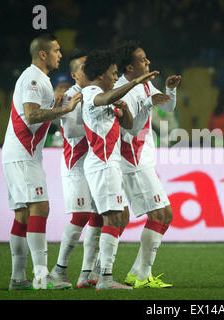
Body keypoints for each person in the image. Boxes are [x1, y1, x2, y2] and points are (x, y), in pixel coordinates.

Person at [2, 33, 83, 290]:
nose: (61, 54)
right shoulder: (34, 77)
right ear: (43, 54)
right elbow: (32, 115)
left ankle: (18, 278)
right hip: (23, 154)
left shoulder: (39, 79)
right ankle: (40, 276)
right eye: (57, 50)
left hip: (20, 154)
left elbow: (39, 112)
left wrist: (55, 104)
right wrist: (64, 109)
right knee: (40, 207)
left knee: (23, 213)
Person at [81, 48, 158, 290]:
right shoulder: (93, 91)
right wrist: (134, 83)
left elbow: (129, 124)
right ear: (101, 75)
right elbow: (103, 100)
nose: (116, 77)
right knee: (113, 217)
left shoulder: (108, 94)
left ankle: (94, 274)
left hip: (110, 163)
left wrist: (124, 110)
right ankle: (104, 278)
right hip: (102, 163)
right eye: (113, 73)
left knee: (119, 216)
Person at [114, 40, 180, 289]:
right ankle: (140, 275)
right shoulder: (122, 89)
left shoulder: (144, 84)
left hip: (142, 158)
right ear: (130, 68)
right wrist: (150, 103)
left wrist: (169, 90)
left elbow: (166, 105)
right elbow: (129, 126)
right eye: (143, 60)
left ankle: (138, 273)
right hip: (131, 160)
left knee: (163, 215)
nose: (148, 62)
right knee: (162, 214)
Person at [49, 49, 103, 288]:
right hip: (76, 162)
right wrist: (100, 126)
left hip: (95, 162)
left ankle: (87, 273)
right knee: (81, 215)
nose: (89, 71)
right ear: (74, 74)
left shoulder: (96, 92)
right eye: (83, 67)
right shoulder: (72, 95)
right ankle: (59, 270)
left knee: (98, 216)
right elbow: (70, 131)